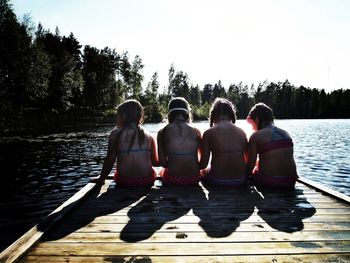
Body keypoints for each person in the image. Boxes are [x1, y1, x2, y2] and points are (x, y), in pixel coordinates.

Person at [91, 99, 158, 186]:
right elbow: (154, 162)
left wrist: (102, 178)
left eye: (117, 116)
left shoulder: (115, 134)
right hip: (146, 180)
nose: (116, 119)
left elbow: (109, 160)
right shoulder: (148, 135)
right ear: (140, 116)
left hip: (124, 181)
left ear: (123, 116)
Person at [246, 102, 298, 188]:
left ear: (257, 119)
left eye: (251, 122)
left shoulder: (256, 136)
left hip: (269, 182)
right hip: (290, 181)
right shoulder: (285, 133)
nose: (252, 127)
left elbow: (249, 167)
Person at [199, 98, 247, 186]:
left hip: (217, 180)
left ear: (213, 115)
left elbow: (203, 165)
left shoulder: (208, 133)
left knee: (203, 172)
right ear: (231, 115)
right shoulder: (242, 132)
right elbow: (247, 161)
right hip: (240, 180)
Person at [157, 97, 202, 185]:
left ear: (170, 114)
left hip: (173, 179)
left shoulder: (163, 132)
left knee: (161, 172)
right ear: (187, 113)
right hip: (194, 178)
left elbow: (163, 163)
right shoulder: (196, 132)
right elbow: (203, 164)